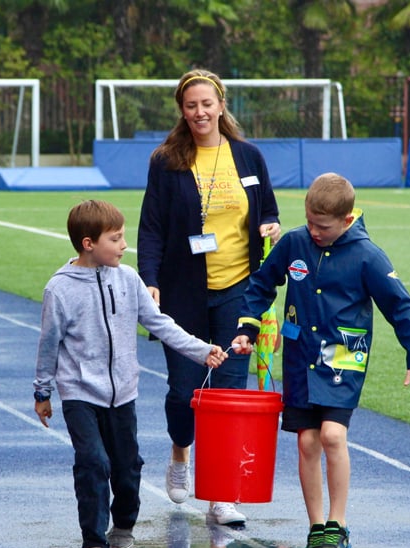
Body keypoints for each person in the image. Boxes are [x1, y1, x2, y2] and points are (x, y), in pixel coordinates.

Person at [231, 172, 410, 548]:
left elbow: (401, 307)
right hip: (299, 357)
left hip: (343, 358)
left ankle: (338, 525)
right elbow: (261, 285)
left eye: (322, 226)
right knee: (307, 441)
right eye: (309, 221)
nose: (313, 231)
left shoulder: (367, 255)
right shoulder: (294, 242)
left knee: (331, 436)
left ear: (346, 221)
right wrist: (247, 325)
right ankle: (316, 529)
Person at [33, 200, 229, 548]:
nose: (124, 245)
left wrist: (202, 351)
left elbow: (160, 323)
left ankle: (123, 525)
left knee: (127, 467)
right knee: (92, 462)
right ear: (88, 243)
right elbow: (49, 343)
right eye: (116, 238)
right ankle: (92, 541)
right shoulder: (59, 290)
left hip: (123, 393)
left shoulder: (127, 279)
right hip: (79, 394)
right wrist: (42, 391)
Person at [137, 69, 281, 524]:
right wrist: (150, 278)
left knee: (229, 393)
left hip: (239, 291)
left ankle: (221, 495)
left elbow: (270, 210)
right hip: (182, 295)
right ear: (182, 111)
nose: (199, 112)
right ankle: (181, 455)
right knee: (184, 393)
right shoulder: (167, 161)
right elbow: (152, 226)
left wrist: (270, 227)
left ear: (221, 105)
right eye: (190, 105)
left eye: (206, 104)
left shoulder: (249, 156)